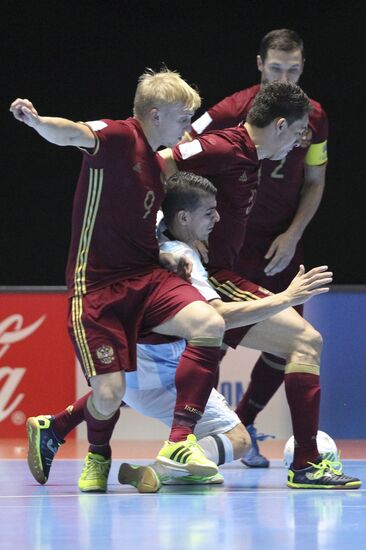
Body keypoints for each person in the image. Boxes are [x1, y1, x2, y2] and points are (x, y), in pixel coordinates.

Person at [27, 171, 344, 493]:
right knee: (238, 437)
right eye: (209, 212)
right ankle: (172, 453)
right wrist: (287, 298)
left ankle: (67, 431)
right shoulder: (182, 256)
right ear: (182, 216)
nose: (217, 218)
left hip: (131, 367)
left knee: (113, 394)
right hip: (160, 372)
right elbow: (217, 317)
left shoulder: (147, 231)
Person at [10, 68, 227, 494]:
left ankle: (180, 442)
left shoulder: (157, 164)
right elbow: (71, 133)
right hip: (96, 289)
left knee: (210, 324)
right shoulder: (118, 136)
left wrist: (163, 254)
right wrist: (37, 123)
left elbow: (138, 224)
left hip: (145, 276)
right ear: (154, 113)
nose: (187, 128)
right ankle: (91, 452)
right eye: (183, 118)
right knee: (109, 393)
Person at [158, 81, 360, 489]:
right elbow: (161, 160)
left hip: (220, 271)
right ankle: (306, 463)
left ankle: (195, 453)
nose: (300, 143)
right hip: (211, 275)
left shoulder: (248, 158)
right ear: (281, 125)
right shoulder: (225, 146)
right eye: (300, 132)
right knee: (305, 341)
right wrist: (168, 236)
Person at [190, 29, 328, 468]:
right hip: (230, 248)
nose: (284, 78)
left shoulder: (315, 118)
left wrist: (292, 234)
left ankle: (243, 422)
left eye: (293, 69)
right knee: (210, 339)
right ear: (259, 65)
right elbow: (172, 148)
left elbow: (315, 180)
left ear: (302, 67)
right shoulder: (230, 112)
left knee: (292, 343)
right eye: (275, 69)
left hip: (282, 246)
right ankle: (193, 434)